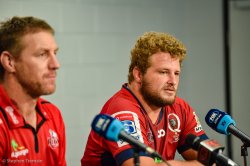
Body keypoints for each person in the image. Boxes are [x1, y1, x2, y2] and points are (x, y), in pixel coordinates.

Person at [81, 31, 208, 166]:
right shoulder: (123, 109)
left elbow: (212, 160)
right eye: (164, 72)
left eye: (176, 73)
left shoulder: (179, 108)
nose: (173, 81)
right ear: (139, 74)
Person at [0, 16, 66, 165]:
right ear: (10, 62)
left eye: (55, 53)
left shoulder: (53, 114)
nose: (56, 64)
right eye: (42, 54)